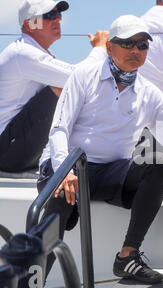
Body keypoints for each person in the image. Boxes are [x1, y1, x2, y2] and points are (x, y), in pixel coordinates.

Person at [37, 15, 163, 283]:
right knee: (61, 195)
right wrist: (64, 172)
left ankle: (127, 256)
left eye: (142, 46)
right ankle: (31, 285)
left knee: (158, 162)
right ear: (110, 47)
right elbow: (59, 129)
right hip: (68, 168)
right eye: (128, 44)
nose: (136, 51)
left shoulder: (149, 93)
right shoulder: (84, 76)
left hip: (108, 174)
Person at [0, 0, 108, 173]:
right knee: (61, 89)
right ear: (30, 24)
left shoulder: (32, 54)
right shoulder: (23, 53)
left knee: (67, 89)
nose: (57, 19)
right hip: (7, 152)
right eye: (49, 15)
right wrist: (99, 49)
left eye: (59, 14)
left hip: (13, 148)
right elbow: (78, 77)